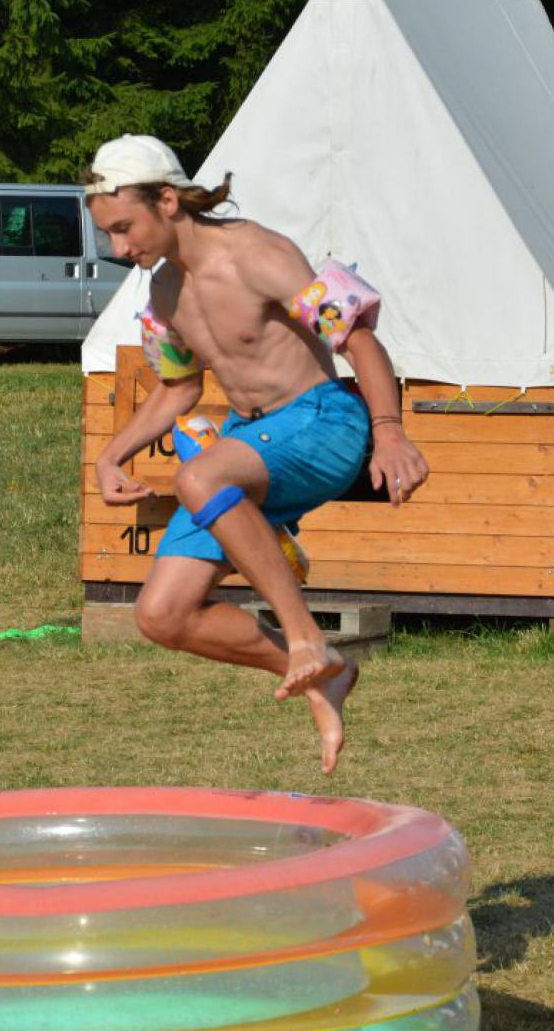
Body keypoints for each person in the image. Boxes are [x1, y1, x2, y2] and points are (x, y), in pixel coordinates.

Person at [85, 136, 429, 773]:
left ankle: (305, 637)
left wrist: (389, 430)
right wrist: (111, 457)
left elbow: (357, 341)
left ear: (168, 201)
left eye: (124, 228)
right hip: (252, 441)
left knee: (200, 475)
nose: (119, 248)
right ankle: (325, 670)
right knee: (162, 615)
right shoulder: (163, 296)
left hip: (324, 421)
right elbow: (179, 389)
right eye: (108, 234)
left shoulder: (260, 254)